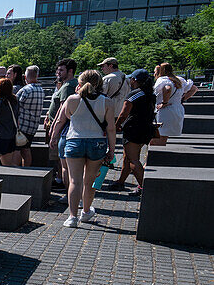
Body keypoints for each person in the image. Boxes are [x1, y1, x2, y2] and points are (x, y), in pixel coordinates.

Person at [57, 70, 115, 227]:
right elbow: (111, 128)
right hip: (97, 143)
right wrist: (112, 149)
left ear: (79, 83)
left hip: (74, 141)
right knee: (89, 182)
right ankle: (86, 212)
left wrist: (54, 138)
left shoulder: (72, 99)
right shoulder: (107, 102)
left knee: (75, 181)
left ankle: (72, 217)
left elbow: (63, 119)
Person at [106, 69, 156, 195]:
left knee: (133, 160)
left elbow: (123, 114)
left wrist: (116, 126)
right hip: (145, 129)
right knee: (127, 157)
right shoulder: (150, 94)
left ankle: (144, 187)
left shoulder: (134, 95)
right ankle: (120, 182)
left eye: (131, 79)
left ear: (135, 80)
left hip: (134, 130)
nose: (130, 81)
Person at [46, 58, 79, 189]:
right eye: (57, 70)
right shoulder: (66, 84)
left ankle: (63, 183)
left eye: (61, 70)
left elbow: (62, 109)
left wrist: (54, 127)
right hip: (59, 126)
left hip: (62, 128)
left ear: (70, 71)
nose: (57, 72)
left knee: (61, 158)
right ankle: (61, 179)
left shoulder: (68, 86)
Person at [152, 62, 190, 143]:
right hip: (177, 109)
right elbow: (193, 88)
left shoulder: (162, 80)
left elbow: (167, 88)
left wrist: (164, 102)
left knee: (159, 136)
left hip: (164, 110)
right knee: (164, 136)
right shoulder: (179, 80)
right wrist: (182, 100)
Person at [14, 65, 44, 166]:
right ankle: (28, 169)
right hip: (33, 126)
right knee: (26, 149)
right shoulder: (41, 90)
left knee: (17, 150)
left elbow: (15, 104)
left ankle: (17, 171)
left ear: (25, 77)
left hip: (22, 126)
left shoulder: (25, 90)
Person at [99, 57, 128, 124]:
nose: (102, 68)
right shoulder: (126, 77)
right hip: (122, 114)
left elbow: (101, 96)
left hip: (109, 113)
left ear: (110, 66)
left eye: (103, 66)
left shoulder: (107, 78)